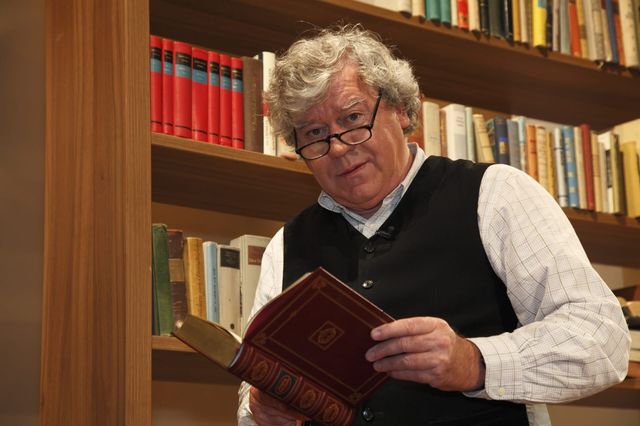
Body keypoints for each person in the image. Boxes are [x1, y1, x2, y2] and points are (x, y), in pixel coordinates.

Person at [237, 25, 630, 425]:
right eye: (315, 133)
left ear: (401, 110)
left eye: (353, 118)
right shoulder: (285, 245)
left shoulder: (495, 194)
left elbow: (602, 339)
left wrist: (475, 361)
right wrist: (261, 409)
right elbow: (255, 388)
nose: (337, 146)